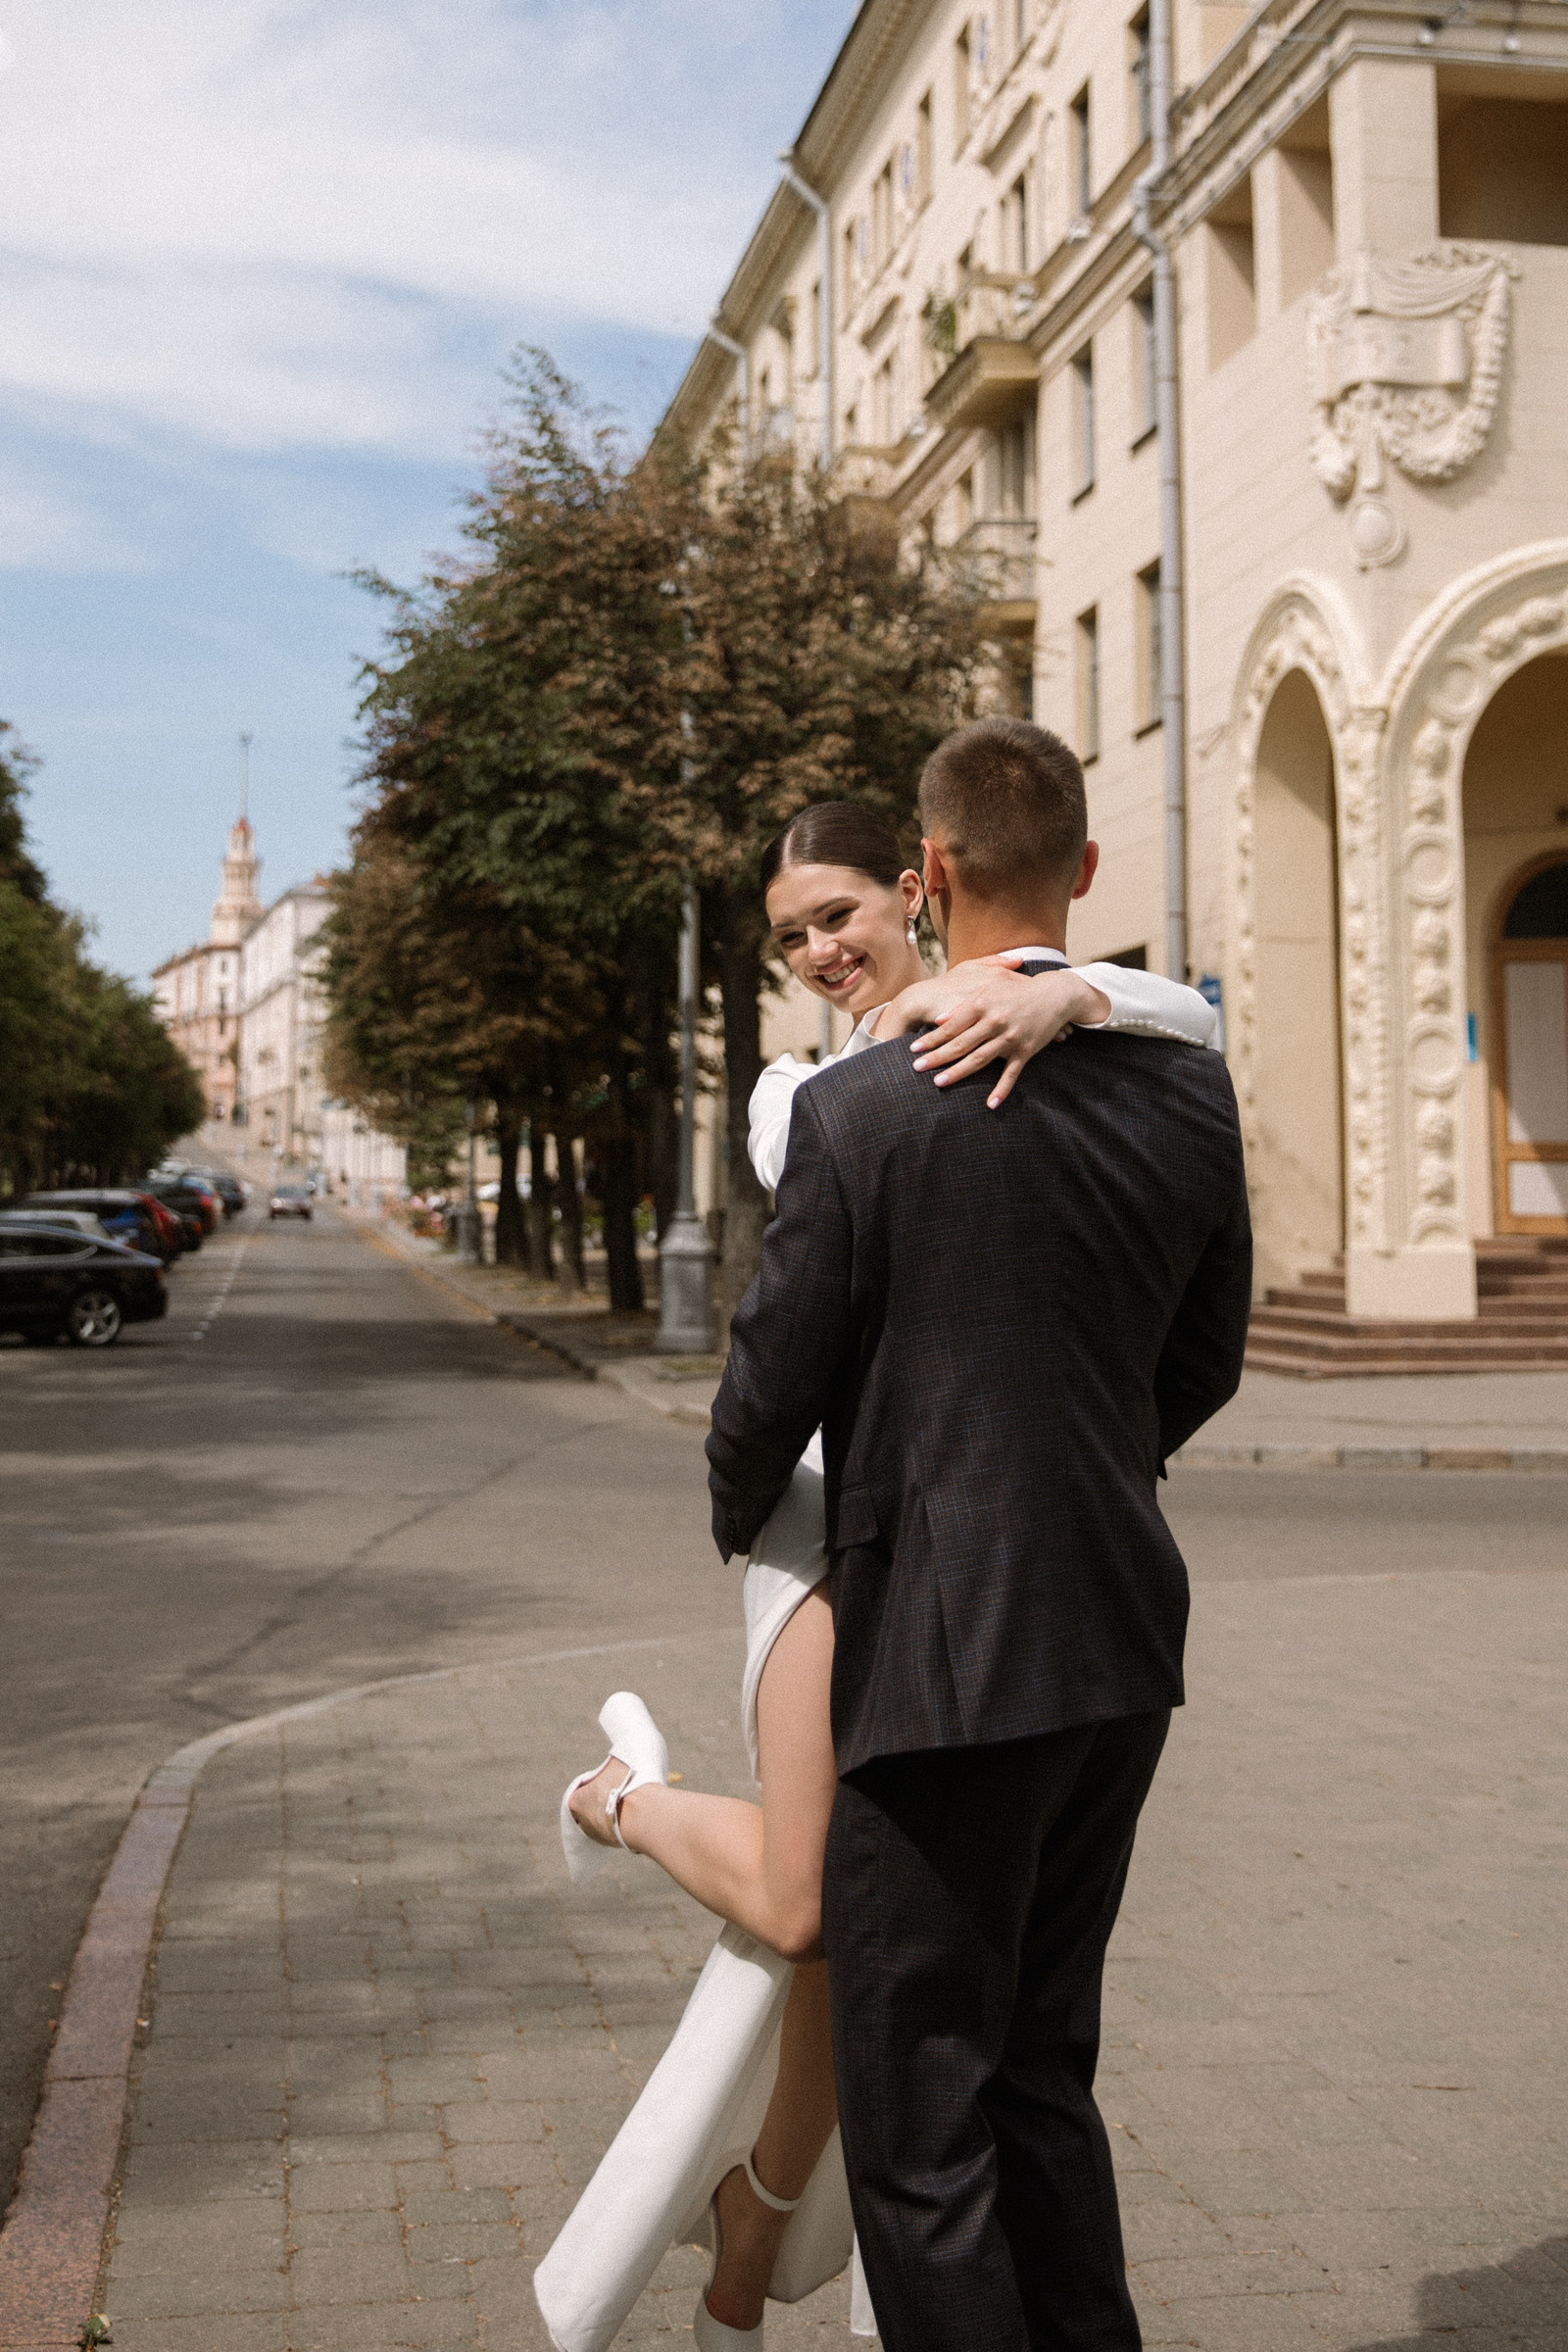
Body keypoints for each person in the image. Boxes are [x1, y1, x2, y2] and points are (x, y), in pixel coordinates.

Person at [533, 793, 1220, 2352]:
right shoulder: (807, 1095)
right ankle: (616, 1798)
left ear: (918, 889)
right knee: (815, 1907)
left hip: (970, 1569)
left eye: (839, 914)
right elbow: (777, 1370)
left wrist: (1067, 987)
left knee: (885, 1965)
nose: (821, 951)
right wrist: (746, 1507)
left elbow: (1186, 1018)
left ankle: (764, 2223)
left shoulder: (1057, 1034)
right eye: (789, 939)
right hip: (826, 1540)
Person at [705, 720, 1253, 2352]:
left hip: (940, 1658)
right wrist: (1077, 1467)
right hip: (1116, 1642)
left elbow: (765, 1385)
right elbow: (1205, 1358)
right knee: (1041, 2080)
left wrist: (760, 1522)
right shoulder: (1187, 1094)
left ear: (924, 877)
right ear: (1086, 870)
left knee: (922, 2129)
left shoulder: (861, 1113)